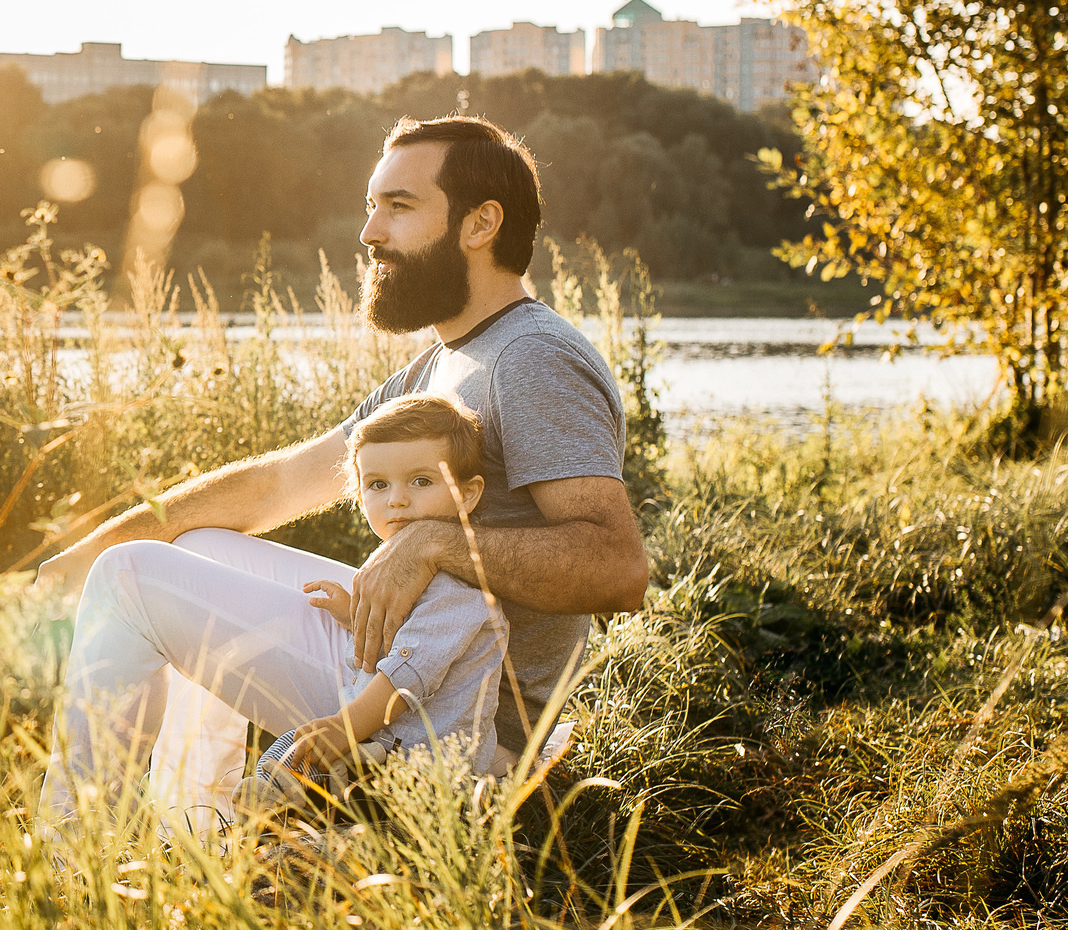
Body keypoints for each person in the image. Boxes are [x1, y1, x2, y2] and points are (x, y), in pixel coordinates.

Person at [34, 113, 646, 825]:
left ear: (481, 225)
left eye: (399, 207)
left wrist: (437, 542)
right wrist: (87, 548)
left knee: (129, 579)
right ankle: (193, 829)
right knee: (188, 549)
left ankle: (66, 857)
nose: (369, 234)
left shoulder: (533, 358)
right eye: (371, 206)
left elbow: (616, 565)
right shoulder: (442, 365)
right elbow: (280, 483)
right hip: (403, 652)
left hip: (454, 706)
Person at [243, 394, 507, 807]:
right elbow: (406, 635)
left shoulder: (457, 591)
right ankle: (266, 797)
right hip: (385, 739)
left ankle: (288, 805)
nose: (396, 499)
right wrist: (354, 616)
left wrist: (345, 727)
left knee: (320, 747)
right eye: (378, 485)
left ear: (467, 495)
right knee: (294, 744)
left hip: (423, 759)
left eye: (421, 481)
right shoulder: (402, 571)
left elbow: (406, 678)